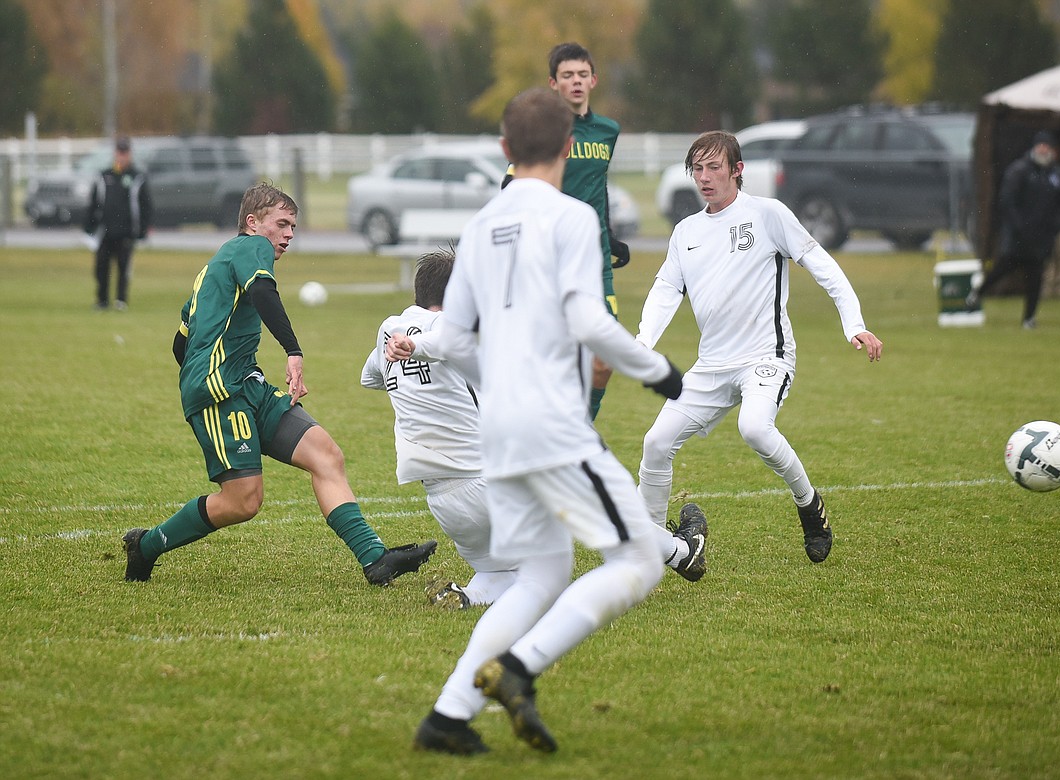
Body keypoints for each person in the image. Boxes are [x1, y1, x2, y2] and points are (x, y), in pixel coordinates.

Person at [407, 88, 697, 756]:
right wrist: (660, 372)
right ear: (570, 147)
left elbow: (450, 340)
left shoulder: (479, 228)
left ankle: (447, 718)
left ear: (505, 151)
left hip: (500, 431)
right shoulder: (571, 218)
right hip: (550, 424)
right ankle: (516, 670)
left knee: (539, 573)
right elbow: (589, 320)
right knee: (638, 561)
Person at [121, 183, 437, 585]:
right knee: (244, 501)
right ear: (252, 223)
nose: (289, 234)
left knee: (326, 454)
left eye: (293, 226)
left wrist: (216, 365)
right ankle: (145, 546)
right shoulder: (250, 248)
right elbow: (263, 292)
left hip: (247, 384)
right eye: (282, 224)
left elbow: (180, 342)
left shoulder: (214, 270)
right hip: (221, 393)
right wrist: (291, 351)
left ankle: (375, 560)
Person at [635, 130, 883, 565]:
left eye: (714, 167)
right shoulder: (686, 231)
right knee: (656, 442)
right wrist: (641, 344)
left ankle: (809, 506)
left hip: (765, 357)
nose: (705, 177)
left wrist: (854, 324)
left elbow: (823, 265)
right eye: (697, 168)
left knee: (754, 427)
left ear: (738, 170)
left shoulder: (768, 214)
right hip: (711, 365)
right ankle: (653, 547)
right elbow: (665, 291)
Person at [360, 246, 518, 609]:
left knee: (498, 573)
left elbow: (369, 378)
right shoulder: (441, 326)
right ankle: (670, 553)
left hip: (444, 502)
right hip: (487, 483)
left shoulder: (388, 329)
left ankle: (467, 597)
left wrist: (406, 361)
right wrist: (416, 346)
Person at [503, 42, 630, 420]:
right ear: (553, 84)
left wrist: (609, 231)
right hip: (550, 259)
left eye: (581, 75)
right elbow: (513, 182)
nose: (575, 82)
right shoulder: (546, 130)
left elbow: (598, 183)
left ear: (594, 79)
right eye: (566, 76)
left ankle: (583, 425)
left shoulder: (608, 130)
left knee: (604, 358)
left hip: (596, 260)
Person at [967, 131, 1060, 328]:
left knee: (1035, 278)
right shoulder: (1020, 170)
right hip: (1019, 236)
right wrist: (1020, 226)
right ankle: (977, 294)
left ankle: (1029, 317)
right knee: (1002, 269)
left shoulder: (1056, 173)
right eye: (1040, 145)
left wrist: (1054, 226)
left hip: (1041, 236)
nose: (1043, 149)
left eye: (1047, 146)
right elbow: (1008, 201)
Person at [85, 136, 152, 311]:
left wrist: (143, 229)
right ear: (115, 153)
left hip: (126, 231)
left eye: (125, 152)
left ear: (129, 154)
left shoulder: (137, 177)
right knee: (101, 266)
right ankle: (102, 300)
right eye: (119, 152)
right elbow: (94, 203)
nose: (122, 156)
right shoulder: (104, 176)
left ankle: (121, 300)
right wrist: (89, 226)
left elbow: (145, 205)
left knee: (123, 268)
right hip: (105, 230)